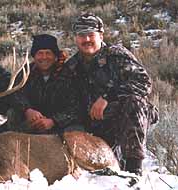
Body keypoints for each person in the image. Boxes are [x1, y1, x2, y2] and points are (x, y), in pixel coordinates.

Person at [64, 13, 159, 175]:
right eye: (81, 35)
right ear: (75, 38)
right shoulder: (72, 66)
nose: (86, 39)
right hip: (95, 123)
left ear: (101, 35)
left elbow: (143, 82)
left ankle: (133, 168)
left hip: (125, 115)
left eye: (90, 34)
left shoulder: (116, 55)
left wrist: (107, 97)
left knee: (133, 102)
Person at [10, 34, 83, 134]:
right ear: (34, 56)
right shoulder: (25, 73)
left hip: (59, 126)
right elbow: (15, 95)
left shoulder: (69, 74)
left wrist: (53, 121)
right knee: (12, 114)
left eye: (48, 53)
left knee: (75, 131)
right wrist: (27, 110)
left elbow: (76, 108)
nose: (44, 57)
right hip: (34, 122)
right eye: (40, 53)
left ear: (55, 56)